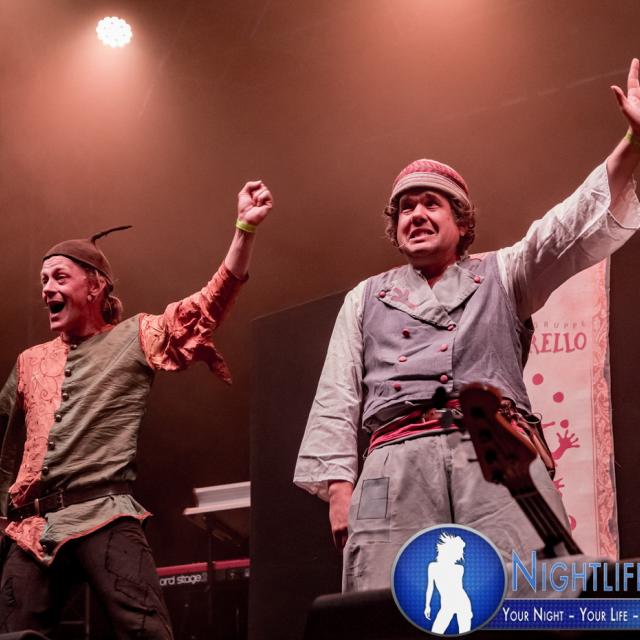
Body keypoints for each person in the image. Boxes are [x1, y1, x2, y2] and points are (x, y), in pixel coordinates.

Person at [294, 58, 640, 592]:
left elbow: (569, 225)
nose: (416, 215)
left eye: (431, 203)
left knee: (529, 594)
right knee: (386, 605)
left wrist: (632, 144)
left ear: (461, 221)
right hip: (394, 465)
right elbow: (336, 396)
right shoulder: (364, 298)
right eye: (405, 208)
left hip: (497, 457)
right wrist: (341, 491)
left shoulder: (507, 272)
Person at [0, 179, 273, 637]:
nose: (47, 288)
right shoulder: (30, 362)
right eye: (44, 280)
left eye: (59, 278)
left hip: (104, 514)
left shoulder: (135, 336)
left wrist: (244, 229)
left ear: (95, 287)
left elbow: (206, 306)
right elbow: (5, 447)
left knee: (145, 631)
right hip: (33, 530)